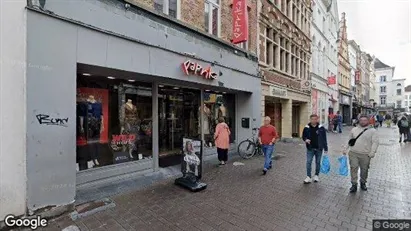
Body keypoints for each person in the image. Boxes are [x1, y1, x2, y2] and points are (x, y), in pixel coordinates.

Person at [344, 115, 379, 193]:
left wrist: (372, 152)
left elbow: (375, 142)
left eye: (365, 120)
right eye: (361, 120)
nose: (363, 122)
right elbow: (349, 140)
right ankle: (354, 184)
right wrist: (345, 149)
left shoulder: (372, 131)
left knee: (364, 170)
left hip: (365, 154)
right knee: (353, 168)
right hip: (353, 153)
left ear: (368, 121)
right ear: (359, 121)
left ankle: (363, 182)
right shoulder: (354, 129)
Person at [302, 114, 328, 184]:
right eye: (312, 119)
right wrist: (306, 140)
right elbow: (303, 136)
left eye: (315, 119)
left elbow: (324, 138)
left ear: (317, 119)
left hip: (319, 149)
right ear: (310, 120)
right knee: (308, 162)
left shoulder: (321, 128)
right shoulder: (306, 127)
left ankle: (316, 175)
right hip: (310, 148)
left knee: (318, 162)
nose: (314, 120)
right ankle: (308, 177)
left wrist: (326, 148)